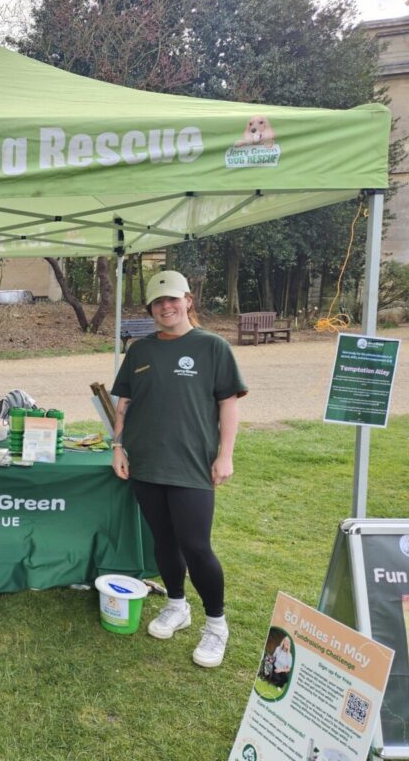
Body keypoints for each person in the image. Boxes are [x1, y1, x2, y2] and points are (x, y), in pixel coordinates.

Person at [111, 270, 247, 668]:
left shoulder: (212, 347)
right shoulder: (139, 351)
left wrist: (226, 455)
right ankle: (176, 604)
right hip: (146, 461)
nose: (165, 307)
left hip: (191, 465)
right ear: (150, 309)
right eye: (157, 302)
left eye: (172, 299)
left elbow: (228, 404)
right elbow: (125, 404)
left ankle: (216, 625)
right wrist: (118, 446)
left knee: (196, 545)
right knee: (163, 541)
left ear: (188, 300)